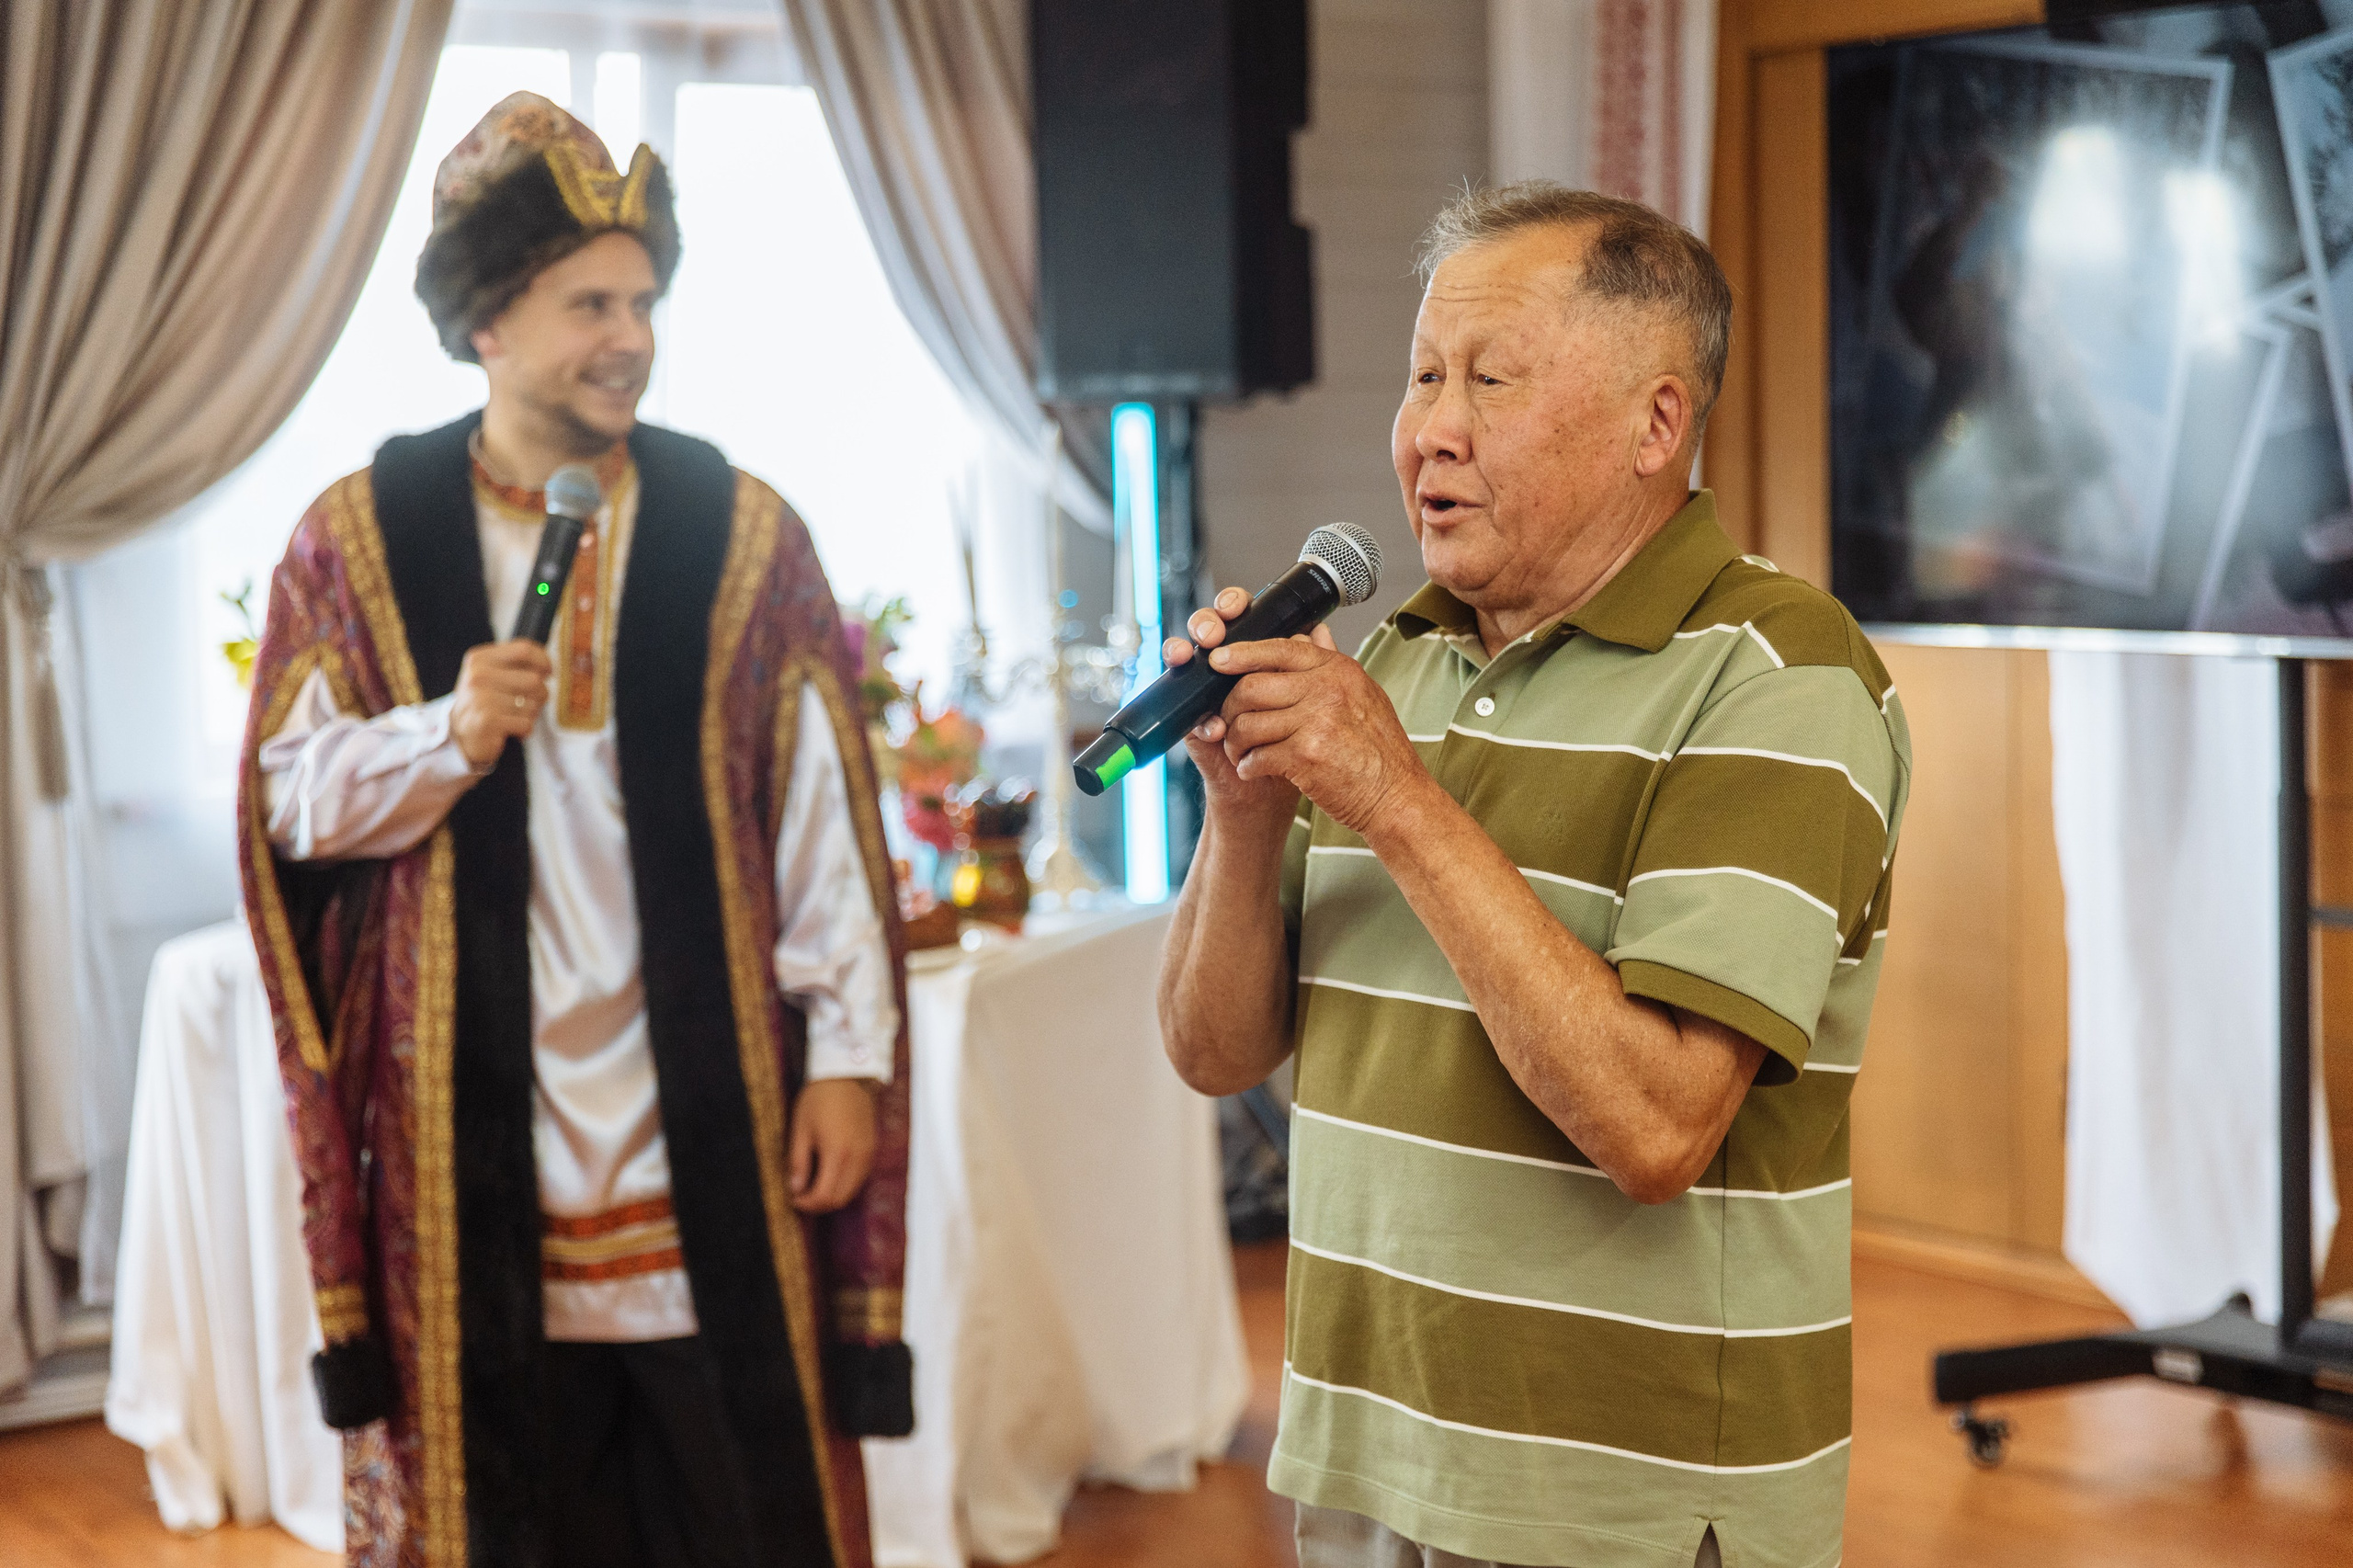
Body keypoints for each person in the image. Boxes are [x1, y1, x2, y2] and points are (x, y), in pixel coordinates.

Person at [1158, 183, 1911, 1568]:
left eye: (1490, 380)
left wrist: (1393, 794)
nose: (1432, 429)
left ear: (1657, 424)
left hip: (1620, 1502)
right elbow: (1214, 1051)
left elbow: (1655, 1127)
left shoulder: (1781, 676)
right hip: (1371, 1460)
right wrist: (1243, 803)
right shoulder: (1395, 659)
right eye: (1423, 375)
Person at [237, 94, 912, 1568]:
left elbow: (821, 826)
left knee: (740, 1513)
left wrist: (849, 1058)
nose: (631, 334)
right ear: (486, 324)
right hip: (472, 1149)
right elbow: (285, 798)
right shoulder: (357, 535)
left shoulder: (741, 529)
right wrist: (446, 731)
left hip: (707, 1131)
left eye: (644, 299)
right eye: (587, 302)